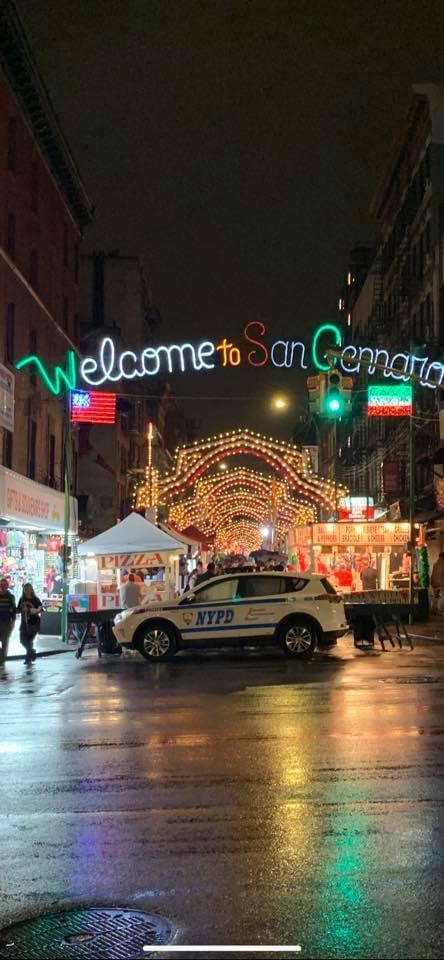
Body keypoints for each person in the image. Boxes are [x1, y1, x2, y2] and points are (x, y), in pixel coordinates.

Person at [17, 583, 42, 664]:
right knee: (22, 641)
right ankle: (32, 652)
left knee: (29, 640)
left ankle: (28, 659)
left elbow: (41, 607)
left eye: (28, 589)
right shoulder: (22, 599)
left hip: (34, 623)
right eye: (25, 589)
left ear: (31, 590)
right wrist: (21, 609)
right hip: (24, 623)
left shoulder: (35, 599)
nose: (27, 590)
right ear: (23, 590)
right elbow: (17, 609)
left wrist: (36, 610)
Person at [0, 578, 16, 663]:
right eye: (1, 584)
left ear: (7, 586)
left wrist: (13, 623)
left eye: (4, 585)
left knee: (4, 642)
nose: (2, 586)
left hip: (6, 623)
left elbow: (13, 611)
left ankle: (2, 660)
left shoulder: (10, 597)